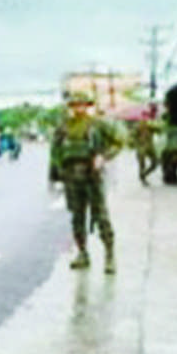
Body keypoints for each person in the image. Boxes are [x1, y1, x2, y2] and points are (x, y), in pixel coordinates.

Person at [49, 91, 123, 274]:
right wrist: (56, 176)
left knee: (101, 217)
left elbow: (119, 142)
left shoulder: (98, 125)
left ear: (87, 106)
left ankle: (110, 256)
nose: (78, 108)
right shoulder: (63, 127)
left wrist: (103, 157)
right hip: (71, 179)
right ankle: (82, 253)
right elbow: (55, 152)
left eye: (81, 104)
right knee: (77, 217)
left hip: (92, 177)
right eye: (74, 104)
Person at [132, 106, 161, 185]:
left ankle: (143, 174)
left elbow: (159, 130)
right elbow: (133, 135)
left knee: (155, 162)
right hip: (141, 146)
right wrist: (136, 143)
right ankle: (143, 178)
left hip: (150, 146)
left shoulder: (152, 123)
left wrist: (153, 125)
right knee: (142, 164)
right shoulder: (139, 124)